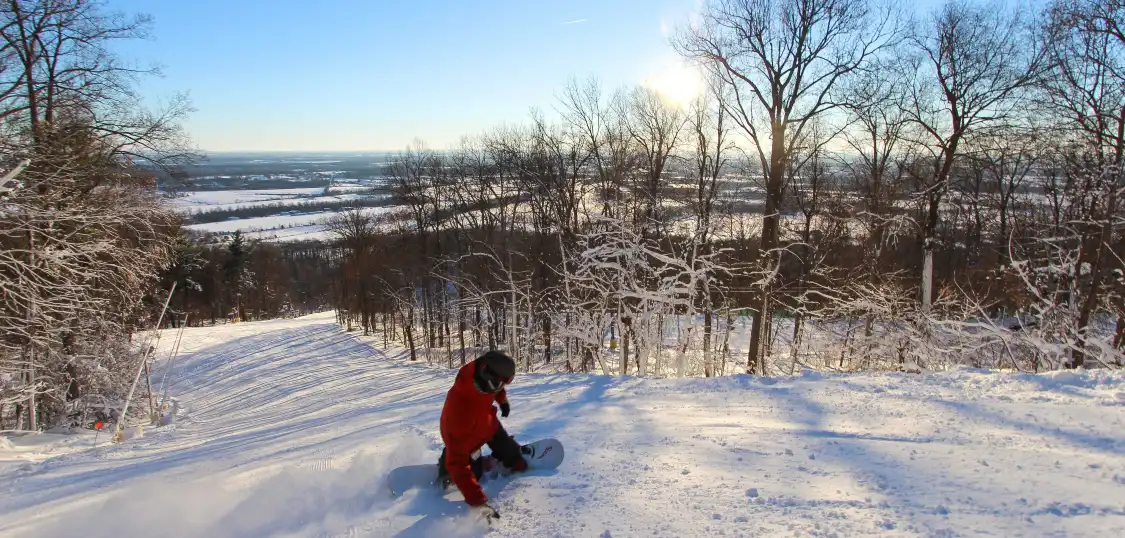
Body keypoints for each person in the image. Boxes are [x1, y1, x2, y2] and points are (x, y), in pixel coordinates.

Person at [437, 350, 528, 520]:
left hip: (487, 423)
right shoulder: (459, 413)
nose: (499, 388)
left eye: (503, 385)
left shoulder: (484, 375)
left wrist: (502, 400)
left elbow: (497, 384)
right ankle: (446, 466)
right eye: (496, 386)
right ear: (484, 372)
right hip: (466, 438)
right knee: (471, 473)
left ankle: (503, 456)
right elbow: (458, 463)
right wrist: (478, 503)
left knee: (516, 461)